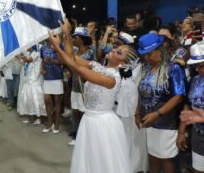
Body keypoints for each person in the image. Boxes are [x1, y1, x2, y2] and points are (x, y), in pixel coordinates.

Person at [49, 19, 133, 173]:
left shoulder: (113, 79)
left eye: (119, 52)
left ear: (123, 63)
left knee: (103, 163)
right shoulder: (97, 66)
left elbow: (76, 69)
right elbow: (72, 58)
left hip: (103, 124)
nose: (113, 50)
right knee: (90, 162)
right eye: (116, 48)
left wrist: (57, 46)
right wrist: (66, 37)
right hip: (89, 120)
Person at [136, 33, 186, 173]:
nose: (147, 58)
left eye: (149, 54)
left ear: (159, 50)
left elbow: (179, 96)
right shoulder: (146, 68)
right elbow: (142, 91)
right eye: (144, 55)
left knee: (166, 159)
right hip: (149, 120)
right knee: (153, 157)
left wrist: (157, 114)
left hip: (166, 121)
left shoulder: (173, 68)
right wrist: (137, 111)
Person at [177, 41, 204, 173]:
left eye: (203, 65)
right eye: (198, 66)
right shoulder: (195, 80)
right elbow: (188, 106)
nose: (200, 69)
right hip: (198, 135)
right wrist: (181, 132)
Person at [17, 46, 45, 124]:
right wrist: (18, 57)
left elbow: (29, 60)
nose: (27, 47)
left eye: (28, 46)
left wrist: (20, 55)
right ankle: (30, 117)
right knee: (28, 99)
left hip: (34, 80)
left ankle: (38, 118)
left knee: (36, 99)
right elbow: (22, 62)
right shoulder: (29, 53)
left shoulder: (36, 54)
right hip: (27, 80)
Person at [40, 40, 63, 134]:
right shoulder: (43, 48)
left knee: (57, 102)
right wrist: (41, 68)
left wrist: (53, 60)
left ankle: (57, 123)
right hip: (47, 77)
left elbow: (64, 61)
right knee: (47, 100)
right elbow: (42, 60)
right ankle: (50, 122)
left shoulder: (60, 45)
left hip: (57, 77)